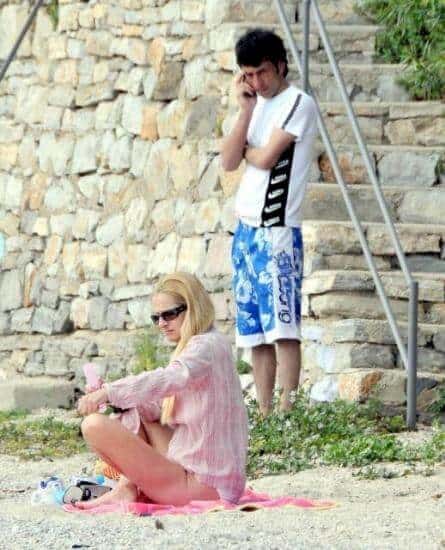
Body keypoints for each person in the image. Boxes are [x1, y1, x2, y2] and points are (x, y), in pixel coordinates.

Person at [76, 272, 248, 508]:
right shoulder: (206, 343)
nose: (161, 324)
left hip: (205, 485)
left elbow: (167, 378)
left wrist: (109, 391)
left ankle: (126, 489)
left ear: (193, 307)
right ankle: (126, 488)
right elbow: (156, 405)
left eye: (169, 315)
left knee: (93, 425)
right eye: (156, 317)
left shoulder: (205, 346)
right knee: (135, 410)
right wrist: (116, 399)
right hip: (209, 479)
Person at [220, 28, 318, 416]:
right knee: (255, 331)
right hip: (245, 230)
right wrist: (244, 110)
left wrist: (249, 150)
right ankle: (264, 414)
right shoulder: (254, 105)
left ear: (279, 65)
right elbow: (229, 160)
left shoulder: (298, 103)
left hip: (276, 228)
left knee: (283, 326)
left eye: (262, 72)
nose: (257, 82)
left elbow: (265, 158)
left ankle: (287, 411)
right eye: (248, 74)